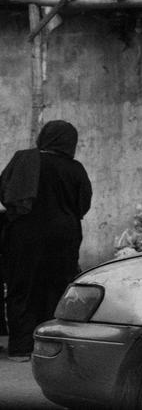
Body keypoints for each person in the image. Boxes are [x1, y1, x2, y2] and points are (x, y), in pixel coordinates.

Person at [0, 120, 92, 361]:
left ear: (44, 137)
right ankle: (49, 348)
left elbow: (4, 192)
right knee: (55, 288)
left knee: (22, 288)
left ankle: (20, 348)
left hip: (25, 236)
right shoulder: (76, 169)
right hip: (64, 237)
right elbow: (84, 204)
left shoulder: (24, 160)